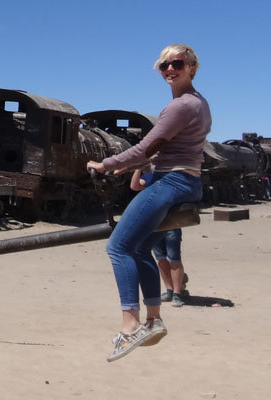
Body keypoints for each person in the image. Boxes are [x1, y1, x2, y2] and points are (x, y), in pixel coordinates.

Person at [86, 43, 210, 362]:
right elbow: (160, 150)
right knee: (141, 249)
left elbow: (146, 148)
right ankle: (153, 320)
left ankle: (130, 324)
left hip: (171, 183)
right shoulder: (199, 103)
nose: (169, 69)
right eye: (163, 65)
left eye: (177, 63)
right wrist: (130, 167)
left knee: (118, 247)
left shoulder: (180, 106)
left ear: (192, 67)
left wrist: (108, 163)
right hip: (188, 183)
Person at [130, 170, 189, 307]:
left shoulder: (171, 177)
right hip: (154, 224)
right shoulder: (150, 177)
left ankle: (177, 293)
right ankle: (169, 290)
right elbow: (134, 186)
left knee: (174, 259)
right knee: (161, 259)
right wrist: (137, 168)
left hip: (172, 223)